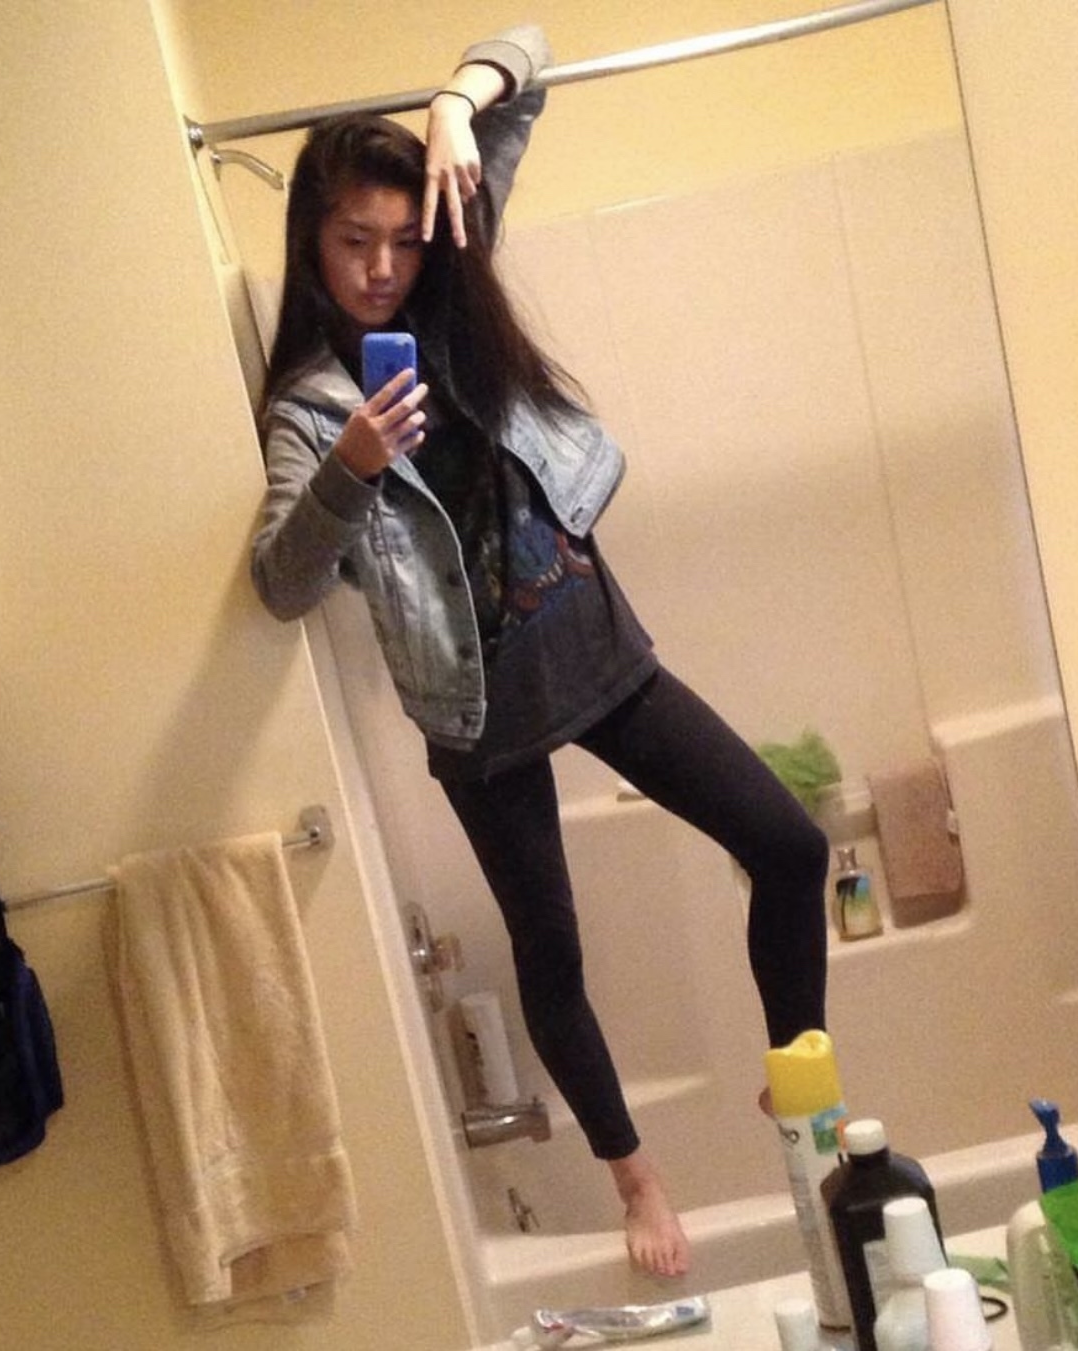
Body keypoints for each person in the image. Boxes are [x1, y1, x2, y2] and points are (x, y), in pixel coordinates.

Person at [251, 24, 829, 1280]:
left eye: (401, 240)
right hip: (480, 715)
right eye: (353, 242)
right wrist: (350, 468)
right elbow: (281, 583)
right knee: (552, 956)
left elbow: (530, 51)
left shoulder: (453, 291)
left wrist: (456, 104)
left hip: (591, 643)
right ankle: (637, 1178)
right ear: (310, 243)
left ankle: (798, 1075)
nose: (383, 269)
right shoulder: (305, 406)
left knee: (788, 844)